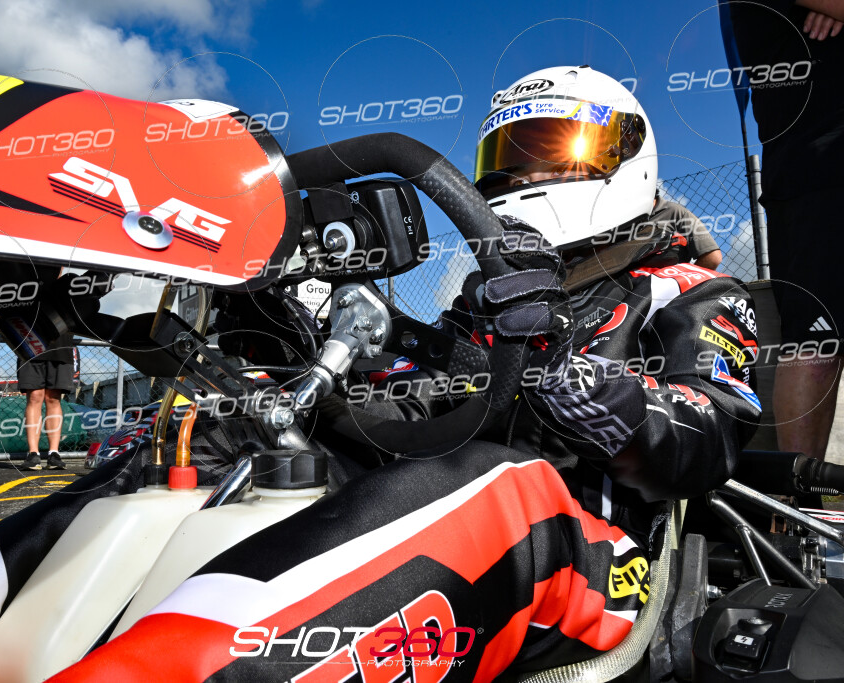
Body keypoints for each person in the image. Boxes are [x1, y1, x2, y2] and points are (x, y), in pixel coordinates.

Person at [53, 67, 761, 681]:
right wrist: (294, 343)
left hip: (610, 563)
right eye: (508, 159)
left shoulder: (692, 292)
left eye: (550, 153)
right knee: (233, 439)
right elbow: (413, 408)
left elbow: (701, 439)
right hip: (462, 520)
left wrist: (553, 367)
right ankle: (3, 628)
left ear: (628, 157)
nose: (523, 177)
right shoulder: (487, 297)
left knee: (502, 483)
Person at [730, 0, 844, 461]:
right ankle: (799, 498)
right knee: (815, 341)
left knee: (817, 342)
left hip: (813, 168)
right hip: (817, 170)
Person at [17, 331, 75, 471]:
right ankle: (33, 454)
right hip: (30, 344)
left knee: (53, 398)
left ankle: (54, 454)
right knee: (34, 396)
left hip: (60, 347)